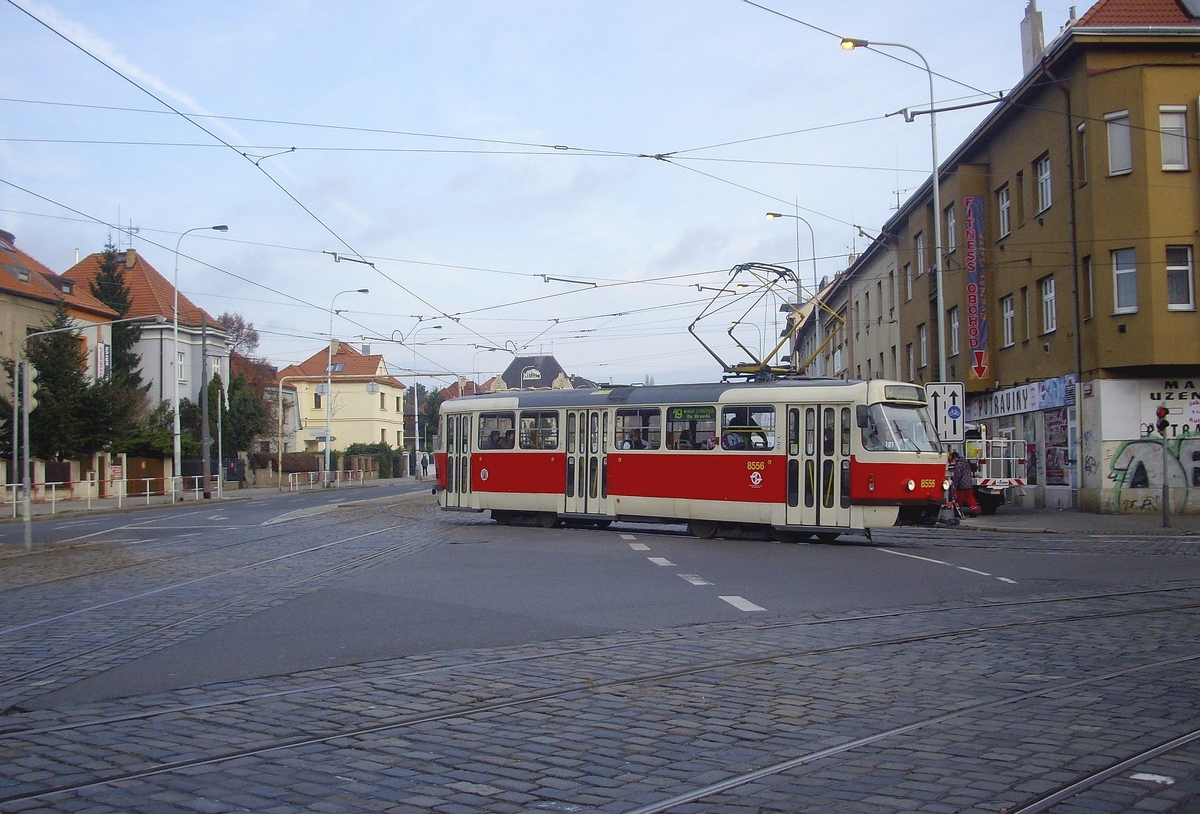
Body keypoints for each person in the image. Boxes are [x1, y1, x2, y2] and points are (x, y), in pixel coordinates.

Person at [949, 450, 980, 516]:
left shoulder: (958, 465)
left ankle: (957, 511)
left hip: (962, 485)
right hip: (969, 484)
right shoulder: (966, 463)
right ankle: (975, 511)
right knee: (970, 498)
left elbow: (957, 476)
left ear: (954, 458)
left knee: (959, 499)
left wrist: (954, 484)